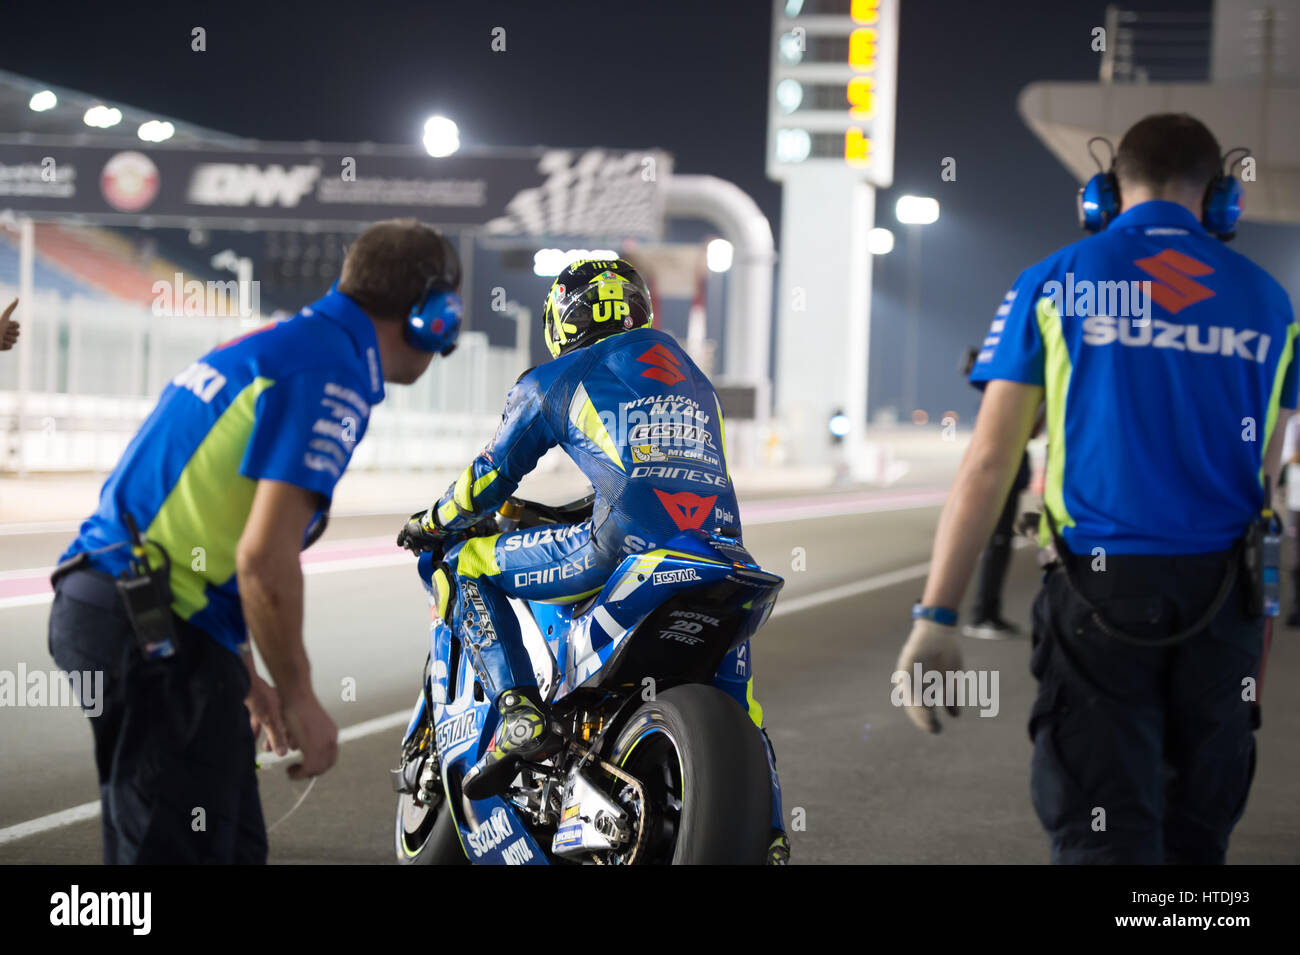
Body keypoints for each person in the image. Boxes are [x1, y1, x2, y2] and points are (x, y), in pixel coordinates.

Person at [895, 114, 1297, 864]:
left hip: (1099, 595)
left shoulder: (1055, 281)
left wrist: (937, 613)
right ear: (1221, 200)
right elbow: (1267, 471)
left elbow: (989, 461)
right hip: (1228, 601)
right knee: (1197, 840)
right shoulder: (1272, 305)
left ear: (1105, 194)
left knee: (1103, 832)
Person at [48, 219, 462, 864]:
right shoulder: (330, 370)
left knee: (231, 846)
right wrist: (299, 695)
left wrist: (244, 674)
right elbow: (262, 562)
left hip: (134, 610)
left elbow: (208, 534)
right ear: (433, 313)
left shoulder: (286, 346)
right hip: (150, 628)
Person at [398, 257, 789, 863]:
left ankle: (517, 713)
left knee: (468, 562)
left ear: (560, 320)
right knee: (742, 707)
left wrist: (433, 520)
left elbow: (489, 478)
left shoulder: (555, 378)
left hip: (627, 546)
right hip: (721, 553)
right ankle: (771, 836)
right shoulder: (692, 380)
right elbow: (657, 473)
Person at [958, 346, 1032, 639]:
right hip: (1002, 483)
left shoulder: (994, 399)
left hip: (1010, 480)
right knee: (996, 546)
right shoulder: (995, 401)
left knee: (999, 547)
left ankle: (989, 613)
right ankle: (982, 615)